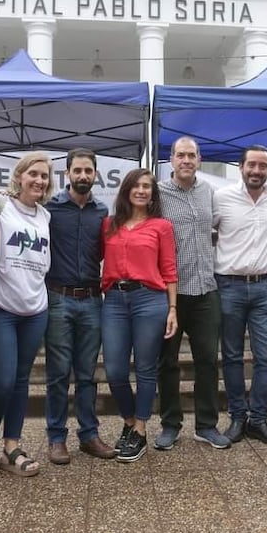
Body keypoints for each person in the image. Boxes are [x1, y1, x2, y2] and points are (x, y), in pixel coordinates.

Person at [0, 153, 53, 479]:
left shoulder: (45, 215)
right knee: (1, 382)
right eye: (33, 174)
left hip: (35, 310)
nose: (39, 180)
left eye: (44, 176)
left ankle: (12, 446)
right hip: (1, 309)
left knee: (21, 381)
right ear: (19, 176)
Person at [155, 137, 230, 451]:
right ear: (171, 159)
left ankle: (207, 425)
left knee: (207, 362)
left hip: (205, 291)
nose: (186, 160)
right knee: (167, 362)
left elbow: (217, 228)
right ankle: (170, 425)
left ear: (199, 160)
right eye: (180, 155)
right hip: (169, 294)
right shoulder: (157, 194)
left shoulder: (208, 192)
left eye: (192, 156)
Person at [43, 149, 117, 465]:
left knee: (87, 374)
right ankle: (56, 438)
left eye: (89, 171)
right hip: (58, 299)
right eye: (78, 170)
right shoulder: (49, 210)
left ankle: (89, 435)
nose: (83, 176)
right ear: (67, 173)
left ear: (95, 174)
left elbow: (105, 252)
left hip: (91, 299)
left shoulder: (102, 213)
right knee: (58, 373)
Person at [101, 168, 178, 462]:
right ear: (126, 190)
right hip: (115, 301)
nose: (142, 190)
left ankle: (141, 430)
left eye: (147, 186)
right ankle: (130, 421)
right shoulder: (109, 224)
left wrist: (173, 309)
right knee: (115, 370)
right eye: (137, 185)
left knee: (145, 368)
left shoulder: (161, 226)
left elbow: (170, 269)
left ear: (153, 193)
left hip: (150, 299)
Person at [214, 145, 267, 446]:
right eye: (251, 165)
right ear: (240, 167)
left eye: (262, 166)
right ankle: (237, 418)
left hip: (264, 287)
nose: (256, 171)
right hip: (228, 285)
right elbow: (207, 231)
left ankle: (258, 420)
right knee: (231, 356)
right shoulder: (222, 198)